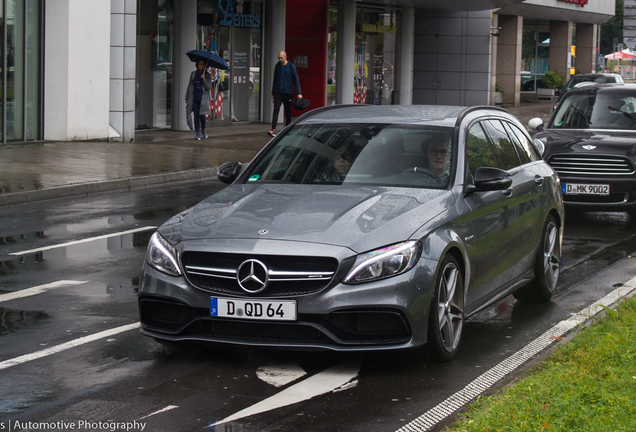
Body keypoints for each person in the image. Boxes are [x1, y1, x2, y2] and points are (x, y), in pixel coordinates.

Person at [269, 51, 302, 137]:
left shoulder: (291, 67)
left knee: (288, 111)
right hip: (278, 92)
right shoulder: (277, 66)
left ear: (285, 57)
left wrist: (299, 92)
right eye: (279, 58)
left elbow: (296, 80)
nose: (280, 59)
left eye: (281, 58)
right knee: (276, 109)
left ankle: (287, 128)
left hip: (287, 92)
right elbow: (275, 79)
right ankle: (273, 129)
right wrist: (273, 92)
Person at [185, 60, 213, 140]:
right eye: (200, 64)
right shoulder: (193, 74)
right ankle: (197, 133)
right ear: (197, 65)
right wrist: (186, 97)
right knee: (196, 116)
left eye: (203, 64)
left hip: (202, 99)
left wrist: (204, 79)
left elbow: (209, 87)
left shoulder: (207, 75)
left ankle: (203, 130)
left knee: (202, 116)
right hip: (194, 98)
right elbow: (189, 86)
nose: (201, 66)